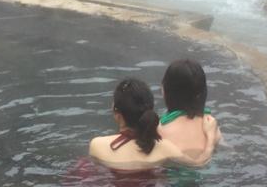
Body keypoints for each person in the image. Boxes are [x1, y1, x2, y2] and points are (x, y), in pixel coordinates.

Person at [89, 78, 217, 171]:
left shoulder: (98, 146)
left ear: (118, 115)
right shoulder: (164, 148)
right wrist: (210, 135)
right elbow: (200, 163)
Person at [158, 59, 222, 159]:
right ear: (202, 92)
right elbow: (228, 150)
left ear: (166, 90)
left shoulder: (160, 129)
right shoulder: (211, 127)